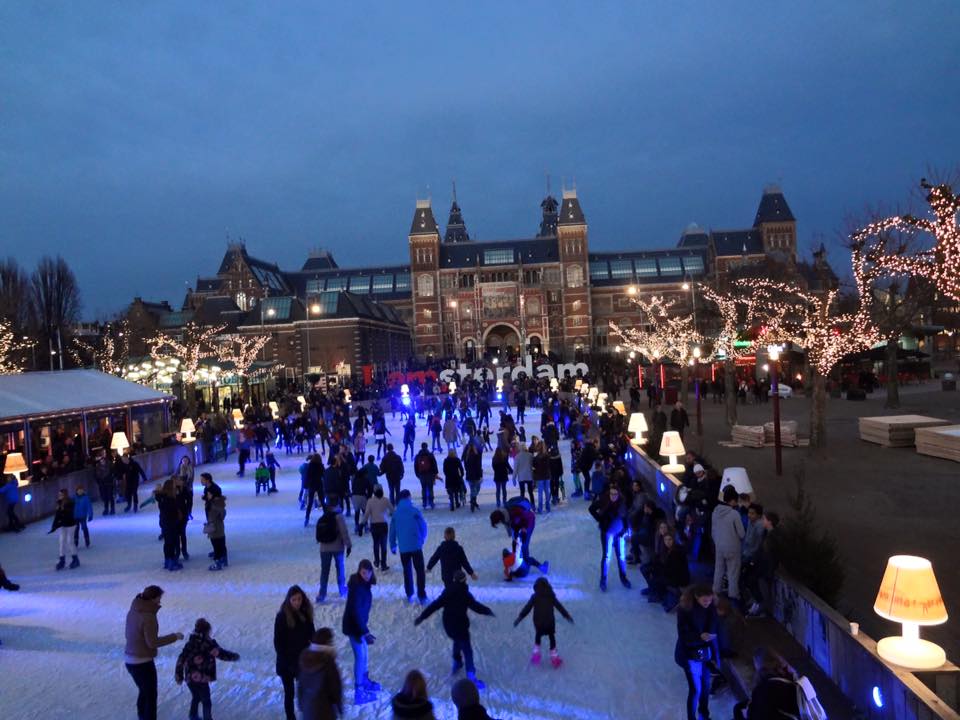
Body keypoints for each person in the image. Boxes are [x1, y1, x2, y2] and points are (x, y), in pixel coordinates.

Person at [414, 570, 494, 689]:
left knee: (457, 641)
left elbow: (435, 605)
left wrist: (422, 616)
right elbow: (476, 606)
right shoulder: (465, 594)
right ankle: (471, 677)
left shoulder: (447, 592)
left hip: (449, 625)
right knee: (467, 650)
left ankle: (457, 662)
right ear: (464, 581)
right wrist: (488, 611)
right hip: (460, 626)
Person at [124, 585, 184, 720]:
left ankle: (141, 714)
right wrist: (174, 636)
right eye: (159, 598)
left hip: (129, 658)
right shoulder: (148, 617)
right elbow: (152, 642)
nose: (160, 601)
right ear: (152, 598)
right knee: (151, 695)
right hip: (142, 662)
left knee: (144, 690)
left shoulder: (134, 609)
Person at [174, 617, 240, 720]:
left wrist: (179, 675)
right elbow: (221, 654)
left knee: (196, 696)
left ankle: (193, 715)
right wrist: (234, 656)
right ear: (207, 631)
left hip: (190, 678)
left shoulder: (190, 643)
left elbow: (181, 659)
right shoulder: (209, 644)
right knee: (206, 700)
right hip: (201, 677)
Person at [674, 584, 719, 720]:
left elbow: (713, 626)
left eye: (710, 600)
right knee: (695, 689)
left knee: (705, 686)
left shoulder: (710, 607)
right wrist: (700, 637)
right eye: (705, 600)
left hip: (704, 653)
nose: (708, 603)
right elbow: (683, 635)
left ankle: (704, 715)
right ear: (696, 597)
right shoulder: (684, 610)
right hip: (689, 654)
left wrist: (716, 656)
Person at [342, 559, 380, 705]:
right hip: (354, 628)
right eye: (363, 572)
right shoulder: (357, 587)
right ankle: (359, 692)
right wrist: (364, 632)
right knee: (360, 657)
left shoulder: (364, 585)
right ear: (359, 572)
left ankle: (364, 682)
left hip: (360, 626)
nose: (366, 575)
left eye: (369, 572)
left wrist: (365, 630)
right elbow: (356, 611)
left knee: (365, 654)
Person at [513, 576, 573, 668]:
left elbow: (527, 608)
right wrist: (567, 616)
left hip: (538, 622)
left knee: (538, 636)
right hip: (549, 622)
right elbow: (559, 607)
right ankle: (554, 657)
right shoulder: (551, 596)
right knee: (551, 637)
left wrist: (520, 617)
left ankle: (536, 655)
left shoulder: (535, 597)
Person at [275, 586, 316, 720]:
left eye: (299, 599)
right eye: (294, 600)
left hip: (301, 662)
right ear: (289, 600)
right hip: (286, 664)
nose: (297, 602)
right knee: (289, 694)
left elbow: (312, 636)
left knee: (304, 692)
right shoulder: (281, 617)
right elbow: (278, 643)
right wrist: (289, 663)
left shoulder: (306, 614)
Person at [734, 648, 801, 720]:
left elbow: (757, 715)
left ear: (762, 668)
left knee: (738, 709)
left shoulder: (765, 689)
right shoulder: (793, 677)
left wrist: (746, 713)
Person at [489, 496, 548, 578]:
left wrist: (524, 529)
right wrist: (515, 535)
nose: (500, 524)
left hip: (528, 522)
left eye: (498, 522)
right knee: (517, 545)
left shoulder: (514, 510)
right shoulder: (504, 516)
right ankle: (520, 563)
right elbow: (512, 525)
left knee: (524, 546)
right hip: (518, 524)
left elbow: (524, 518)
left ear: (499, 518)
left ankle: (541, 567)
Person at [589, 483, 631, 591]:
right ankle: (603, 580)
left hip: (619, 533)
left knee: (621, 556)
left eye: (615, 494)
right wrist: (599, 519)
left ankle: (623, 578)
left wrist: (625, 529)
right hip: (607, 532)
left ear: (618, 494)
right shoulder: (604, 501)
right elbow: (591, 508)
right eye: (611, 494)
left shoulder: (622, 502)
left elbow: (626, 517)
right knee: (607, 556)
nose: (613, 496)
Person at [389, 489, 429, 604]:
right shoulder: (414, 511)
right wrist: (422, 539)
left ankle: (409, 593)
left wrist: (393, 545)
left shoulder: (396, 514)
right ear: (408, 497)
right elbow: (423, 526)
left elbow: (392, 531)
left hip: (404, 548)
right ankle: (421, 594)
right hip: (416, 546)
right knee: (420, 571)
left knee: (407, 571)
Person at [298, 627, 343, 720]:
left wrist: (301, 706)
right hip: (325, 711)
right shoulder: (328, 661)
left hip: (308, 709)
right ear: (328, 642)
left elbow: (300, 686)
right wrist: (339, 706)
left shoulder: (305, 659)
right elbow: (335, 687)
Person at [712, 486, 745, 603]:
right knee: (733, 572)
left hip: (719, 545)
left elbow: (713, 530)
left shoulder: (715, 511)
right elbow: (741, 533)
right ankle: (733, 594)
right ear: (732, 500)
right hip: (733, 547)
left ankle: (716, 591)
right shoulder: (734, 514)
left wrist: (717, 542)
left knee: (719, 570)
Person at [315, 496, 352, 603]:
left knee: (324, 571)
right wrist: (348, 545)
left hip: (324, 548)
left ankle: (322, 594)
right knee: (340, 569)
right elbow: (344, 533)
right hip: (337, 547)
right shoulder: (339, 517)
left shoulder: (324, 515)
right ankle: (342, 590)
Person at [362, 485, 394, 571]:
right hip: (383, 525)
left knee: (376, 544)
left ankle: (376, 561)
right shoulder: (385, 500)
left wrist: (362, 524)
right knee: (383, 546)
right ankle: (383, 564)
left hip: (374, 525)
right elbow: (392, 511)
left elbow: (366, 514)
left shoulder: (370, 501)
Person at [48, 488, 79, 570]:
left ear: (65, 495)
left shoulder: (70, 503)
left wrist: (60, 521)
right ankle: (62, 560)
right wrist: (54, 526)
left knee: (70, 542)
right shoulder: (59, 503)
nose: (60, 496)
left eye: (61, 495)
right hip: (62, 525)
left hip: (70, 525)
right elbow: (57, 516)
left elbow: (68, 515)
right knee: (61, 542)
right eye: (59, 495)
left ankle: (75, 559)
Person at [352, 455, 377, 535]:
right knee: (364, 512)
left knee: (356, 512)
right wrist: (368, 496)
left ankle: (356, 526)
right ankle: (365, 526)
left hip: (355, 496)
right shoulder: (365, 479)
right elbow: (369, 489)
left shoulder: (355, 479)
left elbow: (353, 487)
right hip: (362, 496)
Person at [204, 494, 228, 571]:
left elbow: (212, 517)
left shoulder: (213, 506)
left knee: (216, 546)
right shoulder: (220, 506)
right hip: (220, 529)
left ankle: (218, 562)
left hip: (214, 530)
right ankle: (224, 559)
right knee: (222, 545)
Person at [414, 442, 438, 510]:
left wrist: (417, 474)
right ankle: (431, 502)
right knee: (430, 488)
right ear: (427, 447)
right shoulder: (430, 455)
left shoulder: (418, 455)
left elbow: (416, 466)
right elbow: (434, 464)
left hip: (422, 474)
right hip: (430, 474)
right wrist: (435, 473)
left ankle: (424, 502)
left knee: (423, 488)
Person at [94, 451, 116, 516]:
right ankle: (106, 508)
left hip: (109, 483)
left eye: (102, 459)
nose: (101, 461)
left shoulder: (109, 464)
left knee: (110, 496)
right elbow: (95, 475)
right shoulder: (97, 466)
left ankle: (112, 508)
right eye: (100, 459)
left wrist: (112, 478)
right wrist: (98, 481)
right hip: (102, 484)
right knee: (104, 497)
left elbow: (113, 472)